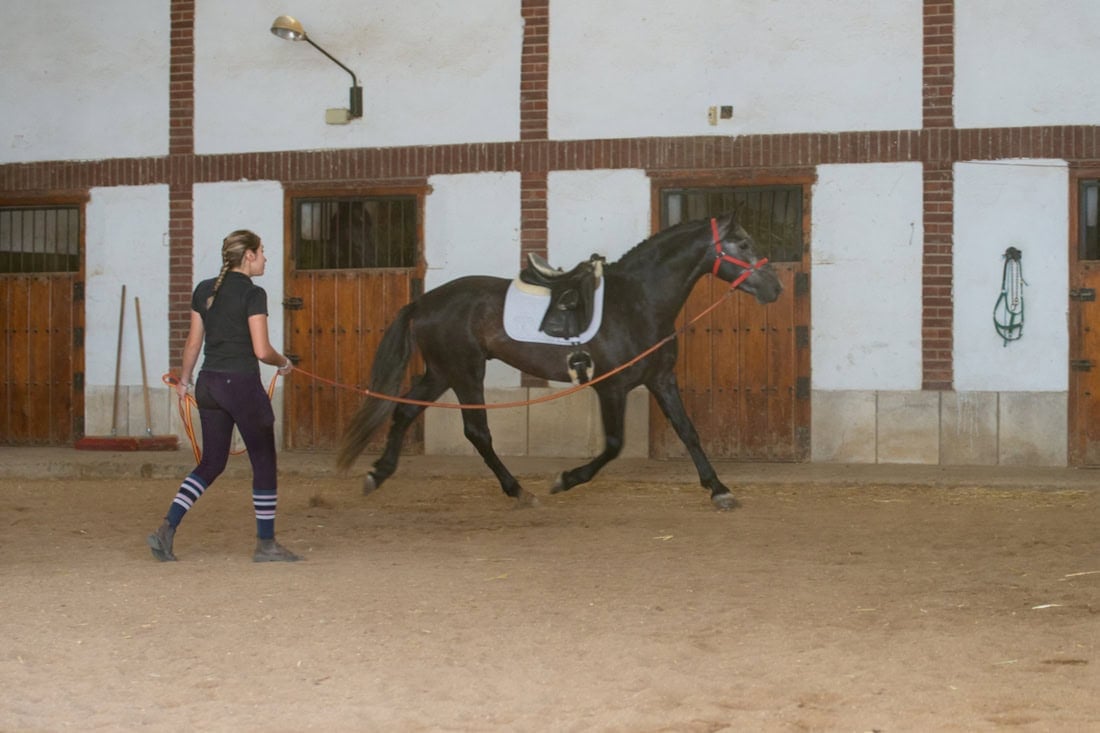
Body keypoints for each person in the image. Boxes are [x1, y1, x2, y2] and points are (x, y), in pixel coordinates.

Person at [147, 229, 301, 562]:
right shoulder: (253, 294)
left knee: (211, 463)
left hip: (209, 385)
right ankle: (266, 544)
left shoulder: (204, 290)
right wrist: (284, 362)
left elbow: (193, 343)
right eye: (262, 252)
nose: (265, 258)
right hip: (241, 384)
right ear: (248, 255)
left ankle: (166, 529)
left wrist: (183, 383)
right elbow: (261, 350)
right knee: (263, 461)